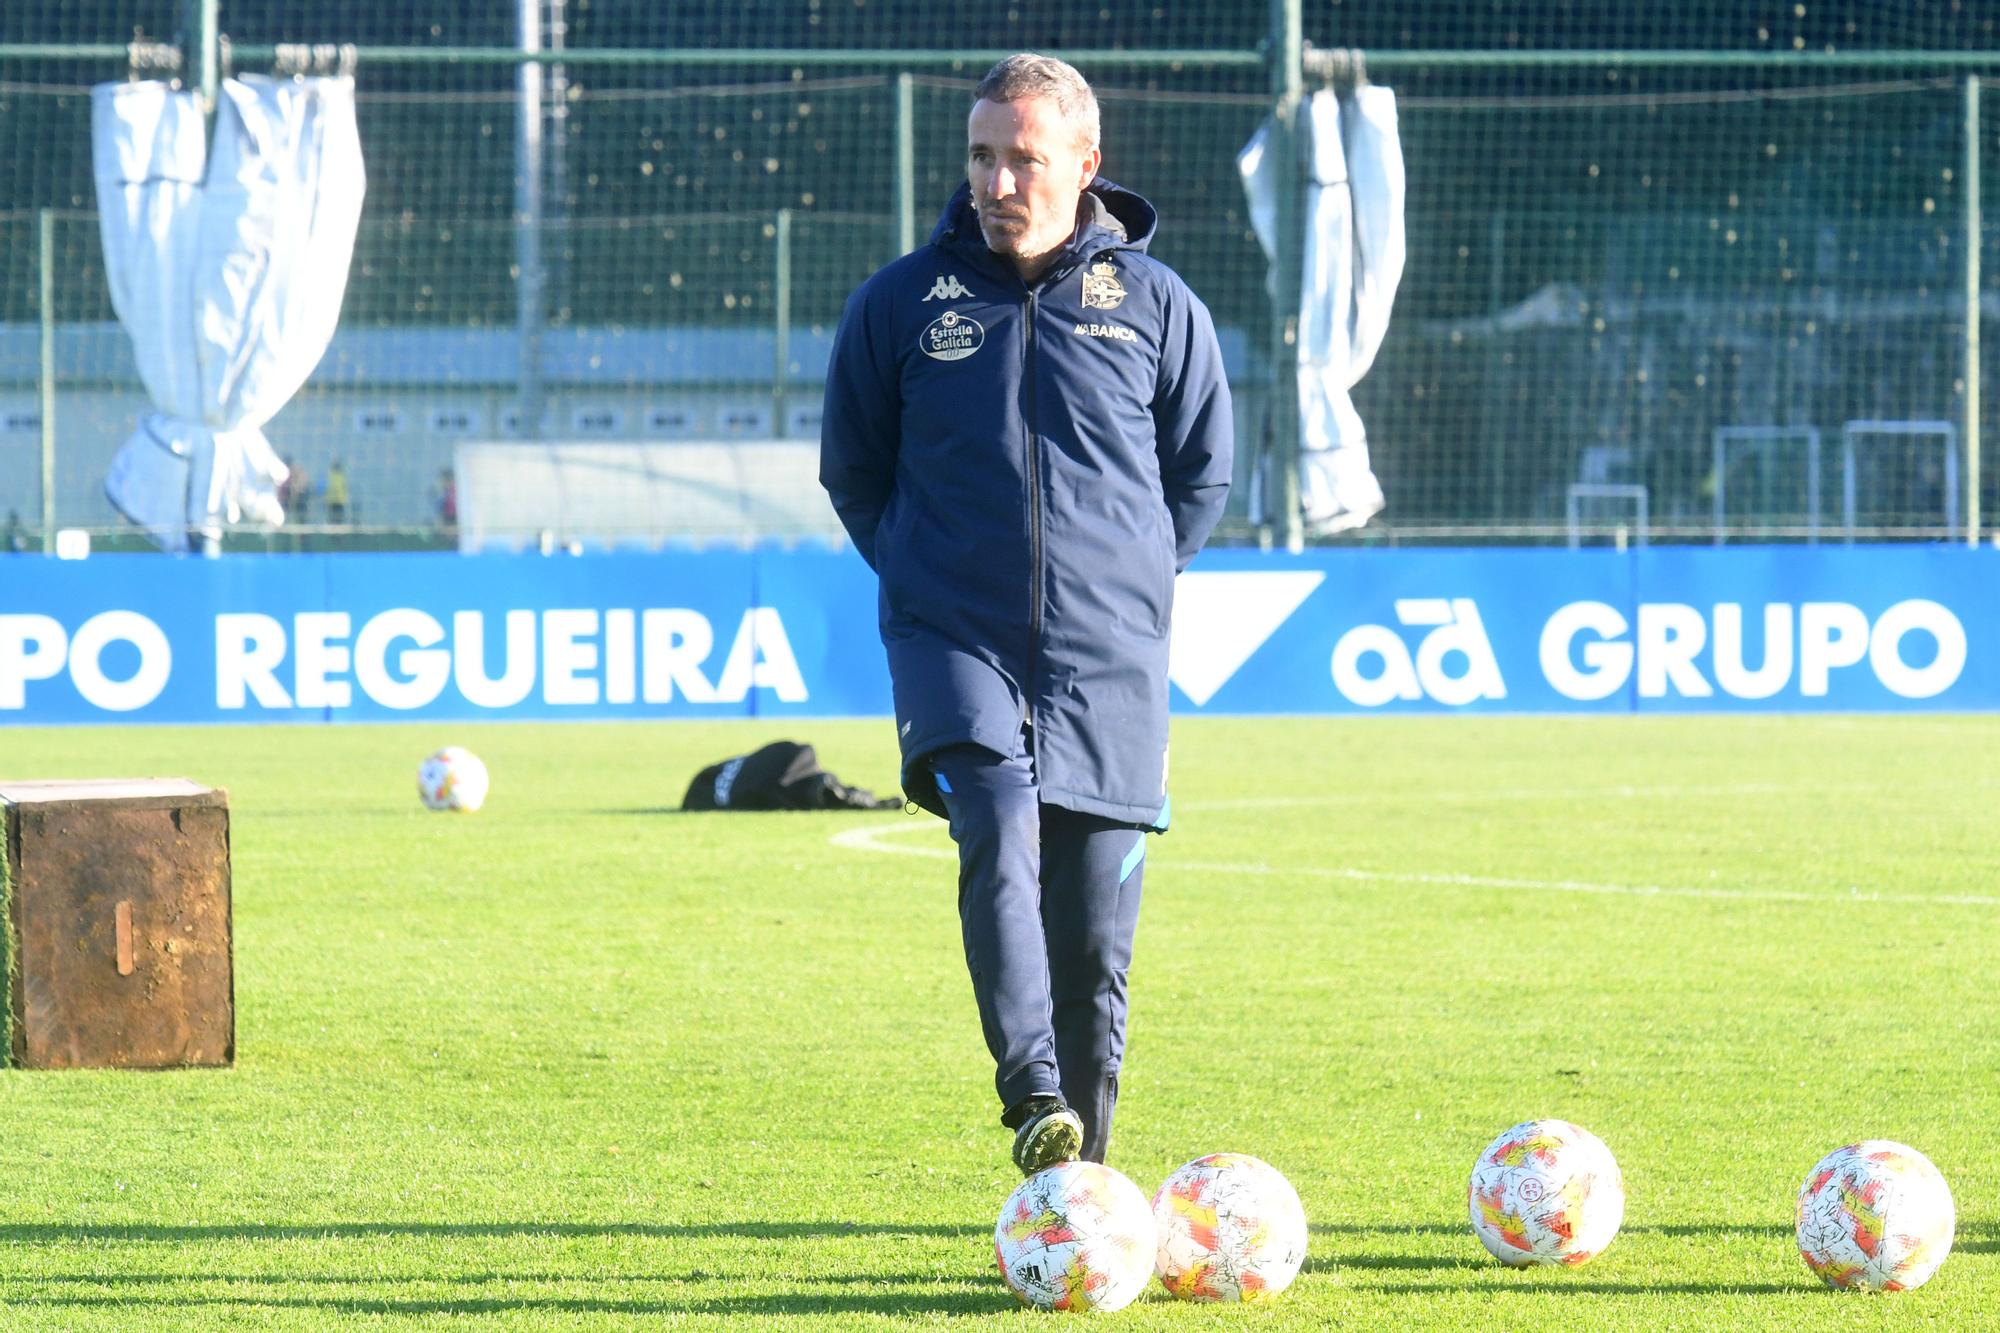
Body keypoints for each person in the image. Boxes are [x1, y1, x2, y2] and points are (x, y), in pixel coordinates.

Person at [820, 54, 1232, 1175]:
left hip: (1109, 656)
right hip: (952, 636)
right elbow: (853, 470)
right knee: (995, 819)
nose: (997, 182)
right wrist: (922, 576)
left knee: (1092, 940)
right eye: (981, 156)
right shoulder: (902, 302)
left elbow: (1200, 475)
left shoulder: (1154, 305)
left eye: (1024, 159)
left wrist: (1134, 582)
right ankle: (1029, 1087)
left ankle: (1075, 1194)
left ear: (1084, 166)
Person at [324, 460, 351, 525]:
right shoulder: (340, 476)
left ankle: (335, 528)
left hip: (335, 501)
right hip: (337, 500)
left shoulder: (332, 476)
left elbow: (344, 488)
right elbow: (344, 488)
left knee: (335, 518)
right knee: (336, 518)